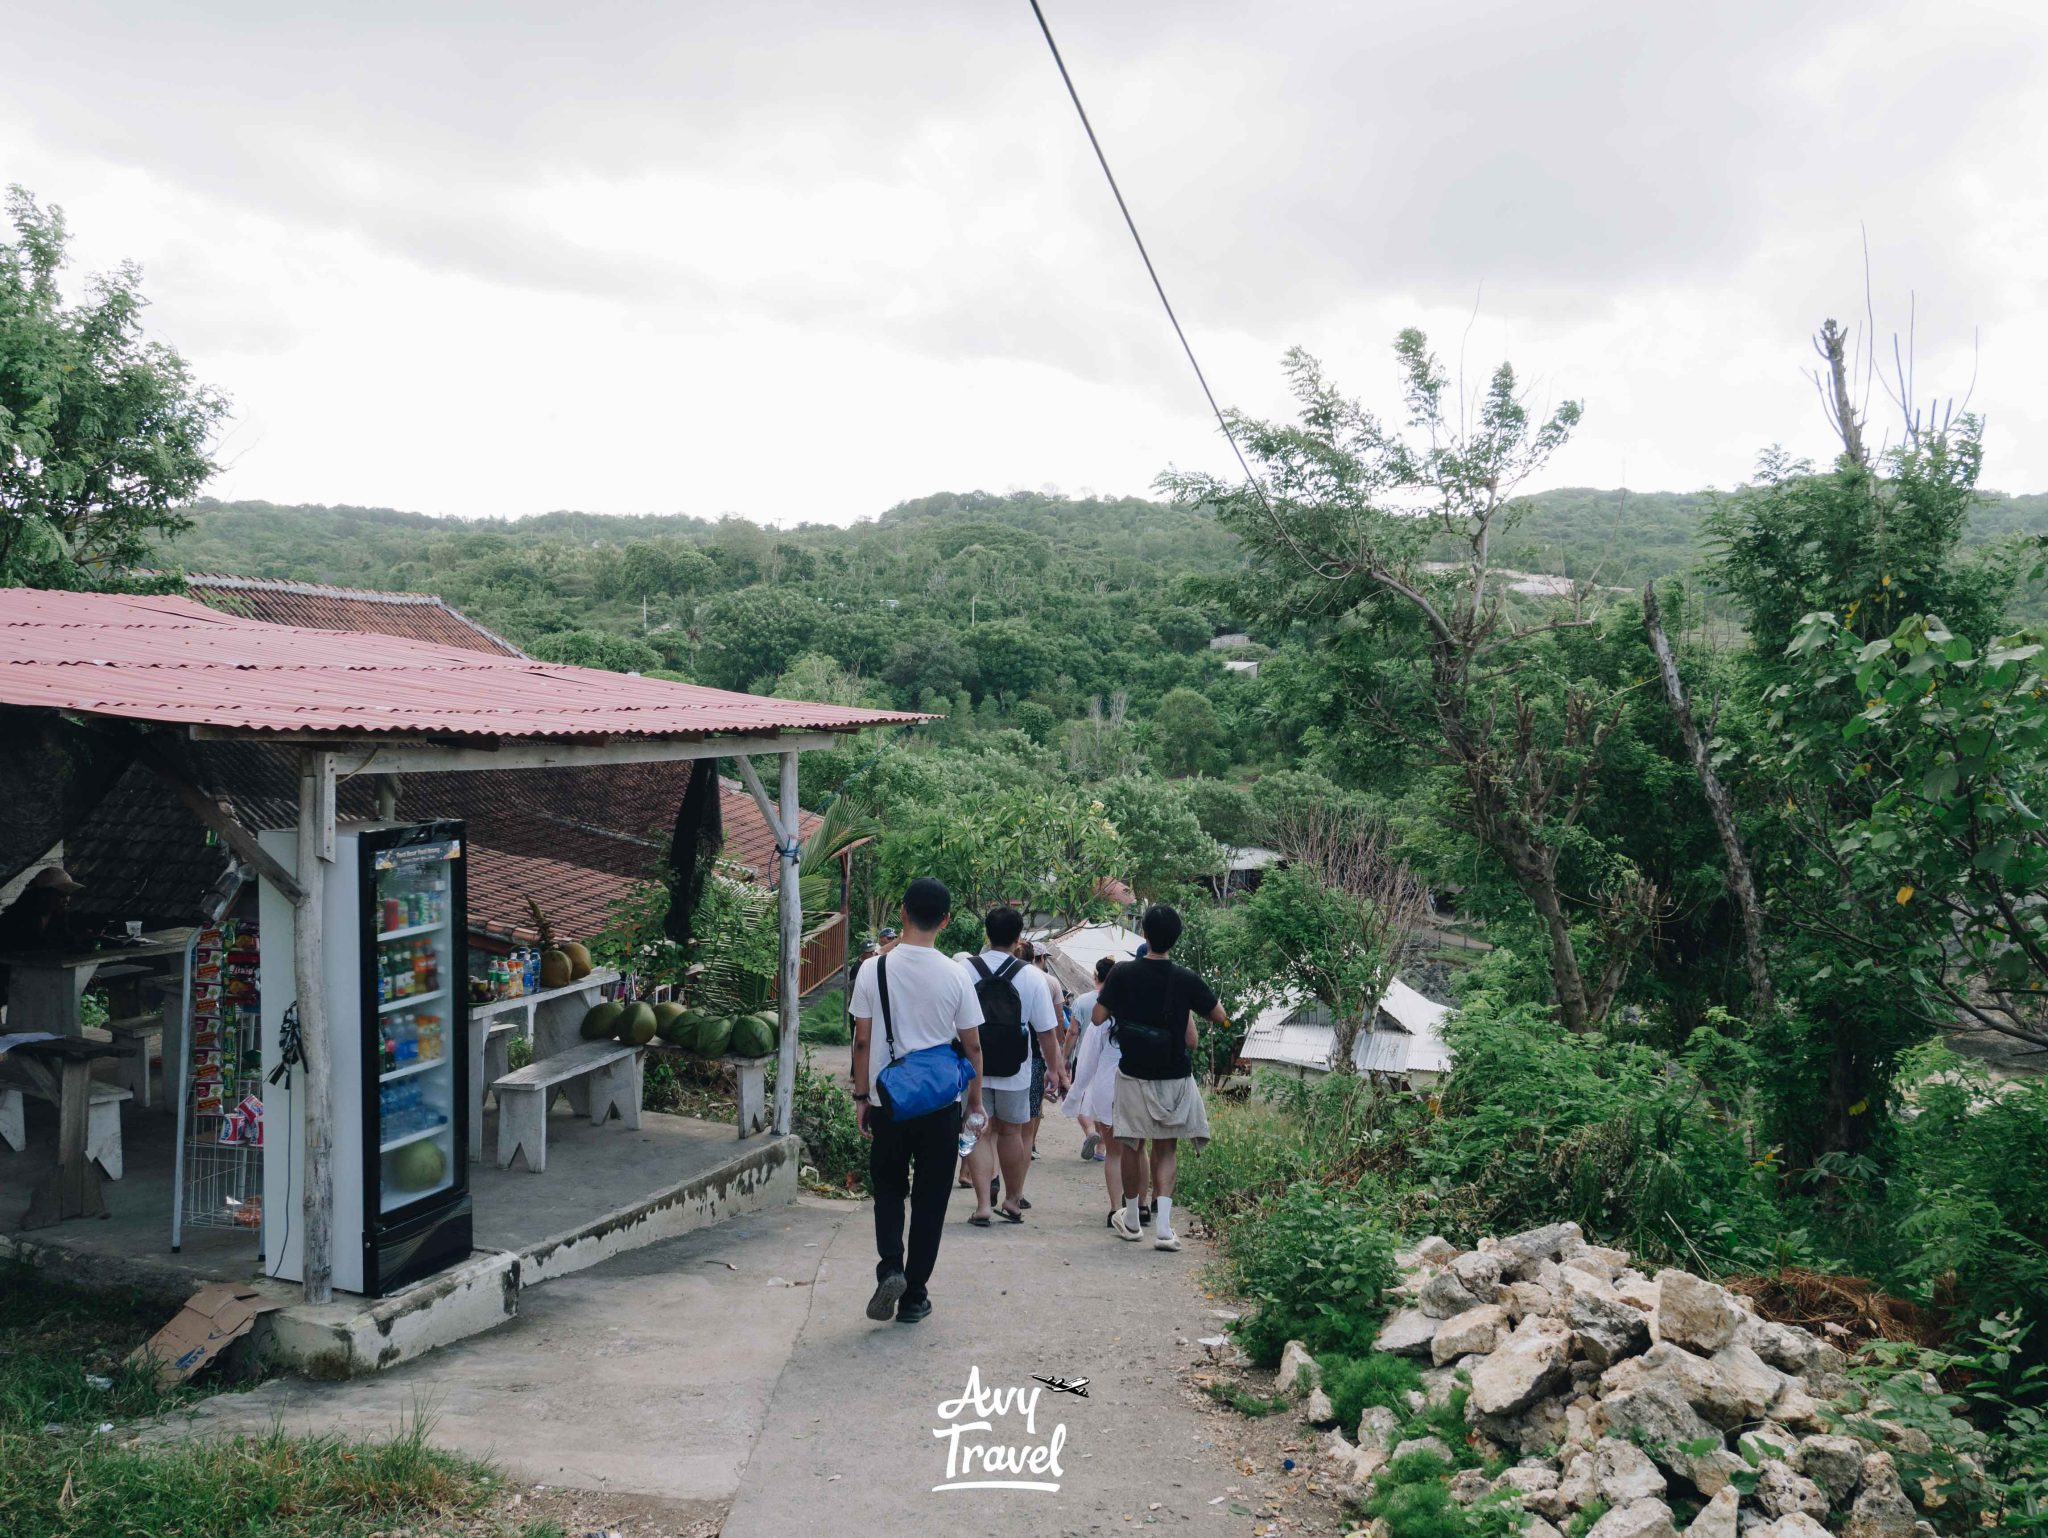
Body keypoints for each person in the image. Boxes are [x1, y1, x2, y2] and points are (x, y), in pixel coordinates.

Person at [848, 877, 986, 1324]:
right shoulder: (956, 973)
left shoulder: (873, 969)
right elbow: (972, 1047)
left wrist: (862, 1095)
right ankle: (914, 1296)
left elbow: (862, 1040)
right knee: (931, 1199)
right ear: (945, 921)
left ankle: (890, 1267)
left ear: (903, 913)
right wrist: (975, 1102)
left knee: (888, 1189)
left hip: (890, 1102)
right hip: (940, 1107)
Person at [1095, 903, 1228, 1253]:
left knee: (1130, 1144)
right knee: (1166, 1148)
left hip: (1133, 1073)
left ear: (1145, 934)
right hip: (1174, 1076)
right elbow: (1220, 1016)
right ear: (1176, 938)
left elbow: (1097, 1017)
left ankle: (1134, 1221)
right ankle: (1166, 1229)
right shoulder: (1184, 979)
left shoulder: (1122, 973)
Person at [959, 907, 1065, 1225]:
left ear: (986, 935)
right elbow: (1047, 1032)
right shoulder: (1032, 976)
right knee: (1011, 1133)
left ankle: (981, 1205)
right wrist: (1053, 1069)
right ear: (1019, 939)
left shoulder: (965, 970)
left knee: (978, 1131)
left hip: (972, 1067)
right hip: (1015, 1069)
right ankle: (1012, 1200)